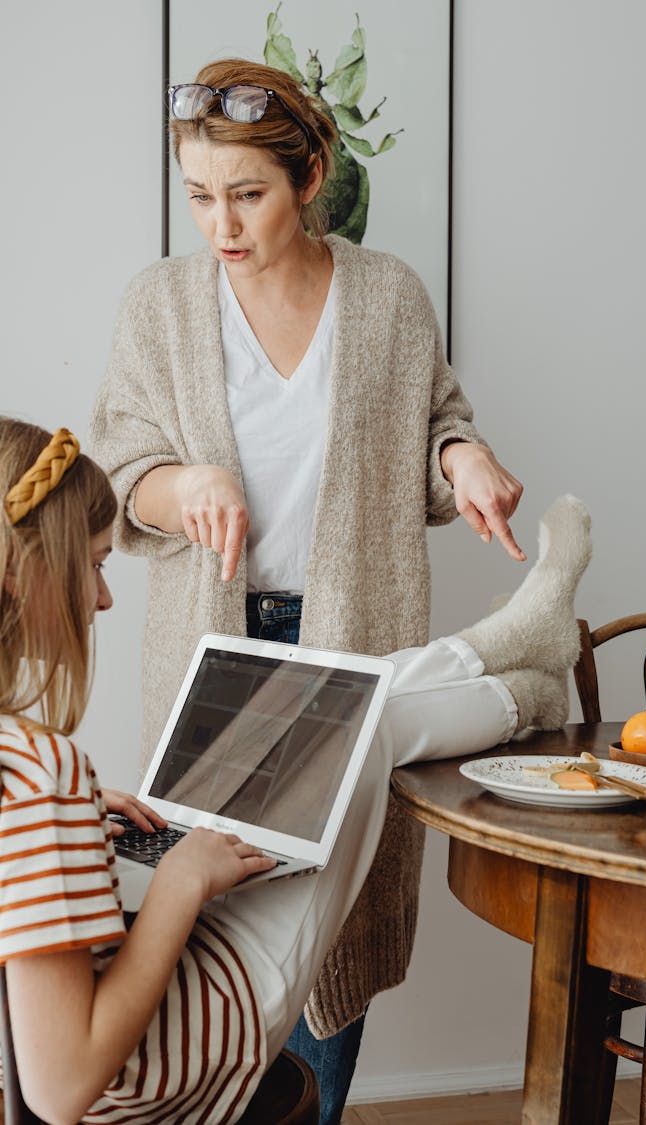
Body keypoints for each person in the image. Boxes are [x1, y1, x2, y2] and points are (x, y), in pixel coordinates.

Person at [89, 57, 527, 1120]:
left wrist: (463, 460)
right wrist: (180, 483)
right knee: (208, 904)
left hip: (352, 646)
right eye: (199, 196)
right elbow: (116, 476)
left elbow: (435, 427)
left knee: (330, 922)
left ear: (310, 176)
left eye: (247, 195)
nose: (221, 225)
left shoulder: (386, 298)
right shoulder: (160, 306)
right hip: (214, 660)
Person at [0, 418, 590, 1125]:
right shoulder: (42, 769)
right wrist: (180, 882)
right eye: (94, 563)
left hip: (145, 1004)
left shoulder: (25, 765)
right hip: (169, 1061)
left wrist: (82, 831)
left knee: (307, 709)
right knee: (354, 730)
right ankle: (526, 673)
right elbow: (61, 1088)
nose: (103, 599)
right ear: (22, 569)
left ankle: (523, 666)